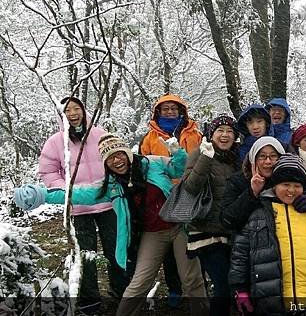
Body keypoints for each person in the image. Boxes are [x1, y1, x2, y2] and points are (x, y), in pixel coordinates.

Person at [15, 133, 206, 315]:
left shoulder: (153, 163)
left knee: (191, 279)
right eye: (110, 158)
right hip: (152, 234)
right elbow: (78, 193)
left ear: (128, 153)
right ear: (105, 163)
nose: (117, 160)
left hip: (179, 226)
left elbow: (179, 169)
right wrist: (43, 195)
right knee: (139, 282)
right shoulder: (111, 186)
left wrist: (178, 152)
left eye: (119, 154)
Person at [38, 96, 127, 313]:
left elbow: (116, 159)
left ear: (84, 110)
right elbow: (48, 172)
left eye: (77, 108)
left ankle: (121, 292)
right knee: (85, 255)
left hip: (107, 204)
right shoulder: (56, 142)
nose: (73, 114)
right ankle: (90, 302)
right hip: (78, 209)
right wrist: (70, 192)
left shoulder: (99, 134)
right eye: (68, 110)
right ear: (62, 115)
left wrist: (109, 185)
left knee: (116, 249)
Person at [228, 154, 306, 315]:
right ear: (275, 185)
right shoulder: (259, 214)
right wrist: (240, 289)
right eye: (285, 184)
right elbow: (240, 253)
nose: (291, 190)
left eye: (297, 185)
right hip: (270, 302)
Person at [138, 93, 203, 305]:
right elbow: (144, 167)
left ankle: (194, 285)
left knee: (191, 240)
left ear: (181, 111)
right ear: (158, 112)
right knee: (166, 242)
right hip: (164, 196)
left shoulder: (195, 134)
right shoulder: (149, 138)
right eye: (165, 109)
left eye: (173, 109)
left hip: (191, 192)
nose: (169, 112)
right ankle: (174, 287)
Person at [181, 114, 240, 316]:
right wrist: (206, 159)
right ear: (211, 134)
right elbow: (190, 188)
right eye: (220, 131)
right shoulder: (200, 154)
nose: (225, 135)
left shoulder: (236, 159)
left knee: (233, 285)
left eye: (230, 131)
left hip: (230, 233)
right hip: (205, 233)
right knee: (223, 286)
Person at [220, 136, 285, 231]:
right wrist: (252, 192)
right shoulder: (238, 181)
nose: (268, 161)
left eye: (273, 156)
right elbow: (227, 221)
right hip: (248, 242)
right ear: (253, 160)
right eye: (262, 156)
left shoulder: (288, 180)